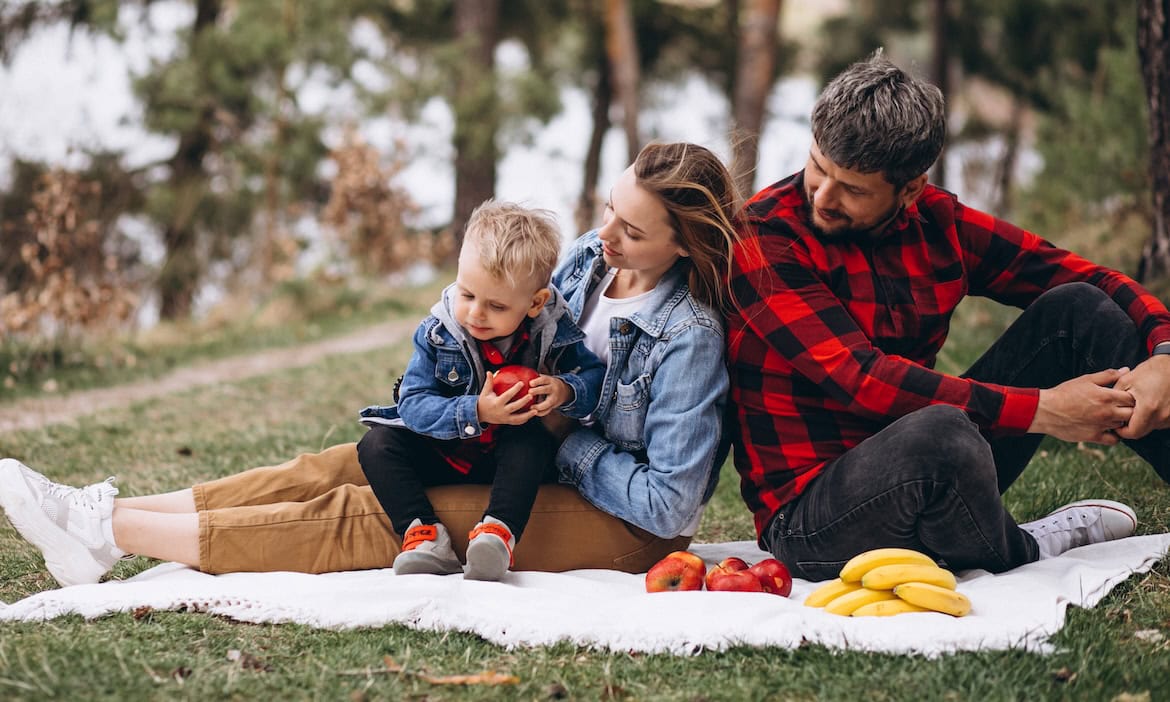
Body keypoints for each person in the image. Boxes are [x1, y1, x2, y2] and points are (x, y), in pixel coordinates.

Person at [0, 141, 741, 588]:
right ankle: (103, 515)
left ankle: (113, 537)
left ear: (684, 244)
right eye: (609, 208)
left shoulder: (689, 336)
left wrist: (559, 431)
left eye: (630, 229)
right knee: (331, 467)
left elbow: (671, 505)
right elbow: (496, 303)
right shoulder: (586, 257)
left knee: (365, 517)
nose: (602, 232)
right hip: (514, 448)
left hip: (619, 519)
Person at [726, 49, 1170, 582]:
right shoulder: (762, 239)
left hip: (938, 466)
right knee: (940, 433)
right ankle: (1025, 548)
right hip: (812, 518)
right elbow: (860, 377)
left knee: (1076, 309)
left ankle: (974, 533)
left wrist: (1164, 352)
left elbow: (1088, 276)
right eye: (818, 167)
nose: (823, 195)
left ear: (910, 187)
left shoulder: (939, 222)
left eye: (853, 188)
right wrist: (1043, 409)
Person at [357, 200, 605, 581]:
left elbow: (593, 379)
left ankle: (497, 534)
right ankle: (423, 535)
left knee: (531, 440)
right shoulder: (438, 333)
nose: (476, 313)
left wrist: (564, 389)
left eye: (496, 305)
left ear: (536, 302)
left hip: (508, 463)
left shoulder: (555, 332)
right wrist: (477, 411)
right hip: (446, 450)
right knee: (375, 446)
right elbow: (413, 405)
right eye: (467, 294)